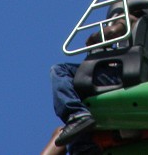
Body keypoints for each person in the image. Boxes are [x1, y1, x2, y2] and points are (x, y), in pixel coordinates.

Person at [48, 12, 138, 155]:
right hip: (118, 72)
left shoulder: (130, 21)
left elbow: (99, 37)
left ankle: (76, 114)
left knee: (60, 70)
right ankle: (83, 145)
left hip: (119, 75)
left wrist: (114, 26)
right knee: (73, 132)